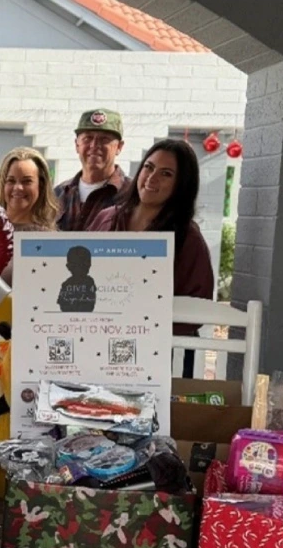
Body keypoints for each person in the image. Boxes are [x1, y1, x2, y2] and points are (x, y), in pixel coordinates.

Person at [88, 138, 215, 375]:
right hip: (98, 347)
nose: (152, 178)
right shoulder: (106, 219)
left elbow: (198, 306)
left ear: (181, 184)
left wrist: (147, 323)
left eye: (166, 173)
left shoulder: (187, 237)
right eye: (149, 167)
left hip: (162, 357)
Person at [0, 146, 61, 284]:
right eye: (11, 180)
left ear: (40, 185)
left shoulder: (52, 243)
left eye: (27, 181)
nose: (18, 188)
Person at [54, 109, 133, 231]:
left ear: (119, 147)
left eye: (104, 139)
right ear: (77, 145)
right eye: (88, 138)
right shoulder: (58, 194)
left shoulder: (132, 194)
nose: (94, 145)